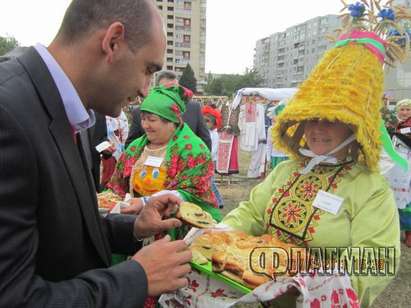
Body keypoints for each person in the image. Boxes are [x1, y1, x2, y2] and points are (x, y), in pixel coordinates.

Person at [0, 1, 192, 307]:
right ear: (112, 41)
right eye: (148, 69)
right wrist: (138, 277)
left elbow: (63, 228)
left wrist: (134, 227)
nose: (145, 91)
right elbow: (13, 298)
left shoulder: (76, 111)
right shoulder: (8, 113)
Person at [222, 4, 403, 306]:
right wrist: (221, 233)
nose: (317, 128)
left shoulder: (371, 189)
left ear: (354, 127)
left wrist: (306, 286)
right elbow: (252, 212)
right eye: (312, 117)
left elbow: (375, 259)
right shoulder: (287, 170)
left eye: (331, 119)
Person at [107, 85, 221, 232]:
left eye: (152, 120)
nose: (145, 125)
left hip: (176, 229)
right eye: (143, 119)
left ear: (172, 122)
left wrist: (145, 202)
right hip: (136, 225)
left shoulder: (194, 151)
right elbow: (117, 186)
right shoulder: (136, 147)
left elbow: (192, 192)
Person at [126, 70, 212, 150]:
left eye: (175, 89)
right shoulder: (140, 112)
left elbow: (205, 141)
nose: (172, 94)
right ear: (158, 91)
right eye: (167, 91)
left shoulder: (194, 108)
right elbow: (130, 146)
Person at [385, 99, 411, 246]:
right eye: (402, 109)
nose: (405, 112)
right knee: (392, 195)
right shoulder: (392, 124)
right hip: (394, 163)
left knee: (408, 196)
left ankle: (409, 231)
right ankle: (394, 229)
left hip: (408, 162)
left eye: (408, 109)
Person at [202, 105, 224, 208]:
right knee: (209, 182)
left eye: (207, 121)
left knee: (211, 183)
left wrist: (207, 157)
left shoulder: (214, 135)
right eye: (204, 121)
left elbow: (213, 150)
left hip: (210, 160)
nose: (205, 124)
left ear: (214, 123)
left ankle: (219, 201)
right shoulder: (204, 133)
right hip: (204, 160)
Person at [101, 110, 129, 188]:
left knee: (118, 173)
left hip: (120, 148)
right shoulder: (103, 114)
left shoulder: (122, 114)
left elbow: (125, 130)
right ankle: (104, 191)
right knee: (108, 172)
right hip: (108, 149)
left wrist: (124, 144)